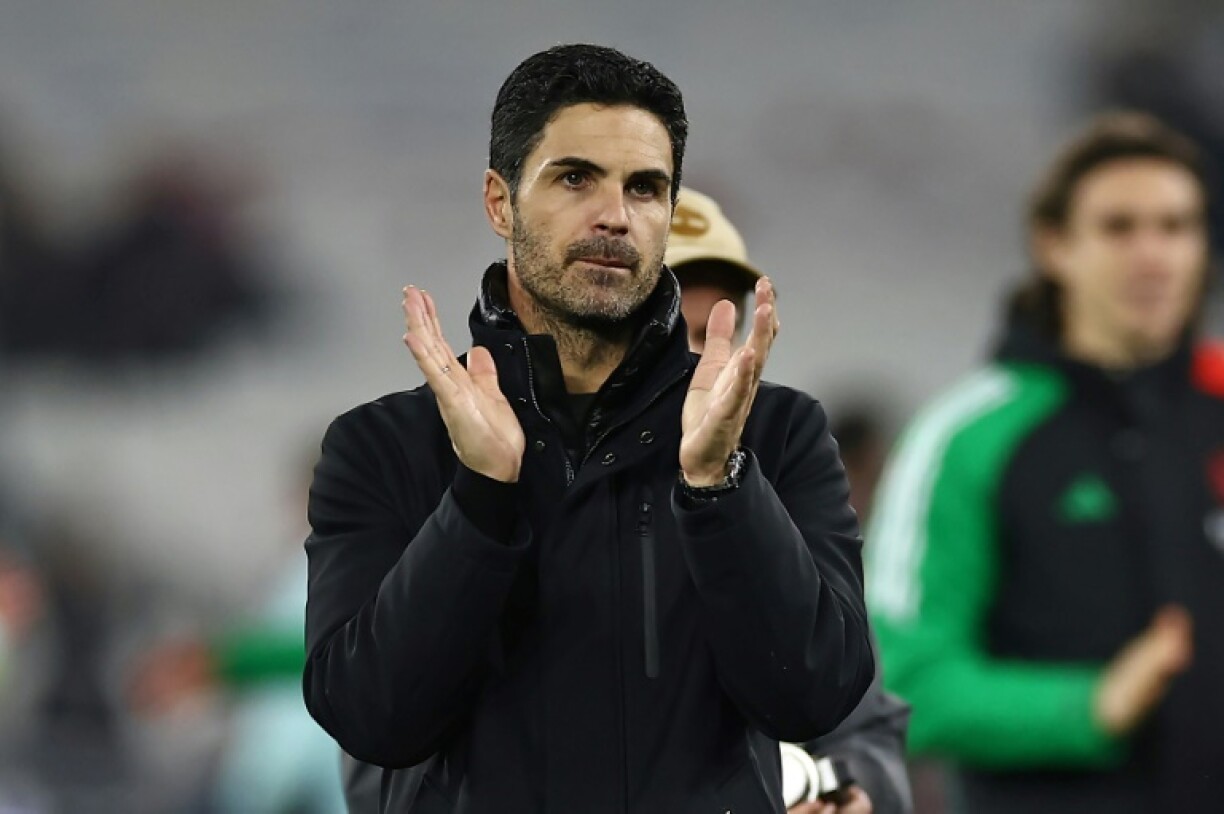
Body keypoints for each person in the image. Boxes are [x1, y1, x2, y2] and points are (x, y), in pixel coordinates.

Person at [304, 43, 874, 813]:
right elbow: (373, 720)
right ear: (499, 201)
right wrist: (478, 498)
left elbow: (815, 698)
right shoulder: (384, 445)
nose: (614, 215)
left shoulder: (775, 434)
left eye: (645, 188)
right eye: (575, 178)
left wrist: (719, 489)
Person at [868, 112, 1224, 813]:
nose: (1153, 255)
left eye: (1176, 227)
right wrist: (1089, 708)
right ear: (1054, 244)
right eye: (1120, 228)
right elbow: (899, 689)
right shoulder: (964, 435)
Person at [666, 186, 912, 814]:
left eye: (713, 334)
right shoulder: (501, 496)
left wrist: (852, 792)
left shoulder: (778, 502)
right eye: (663, 334)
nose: (697, 363)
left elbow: (866, 726)